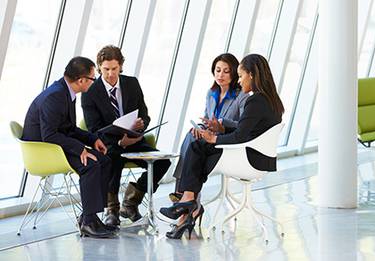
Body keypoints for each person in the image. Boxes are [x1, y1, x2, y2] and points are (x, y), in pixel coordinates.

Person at [159, 54, 285, 239]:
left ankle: (188, 200)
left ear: (251, 75)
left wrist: (214, 139)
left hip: (248, 157)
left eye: (240, 76)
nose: (240, 81)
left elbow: (241, 135)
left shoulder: (254, 101)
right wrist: (221, 127)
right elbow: (249, 128)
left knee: (198, 147)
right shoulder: (270, 100)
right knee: (197, 145)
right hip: (258, 155)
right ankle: (188, 202)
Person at [22, 57, 115, 238]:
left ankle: (91, 217)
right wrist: (80, 149)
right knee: (91, 164)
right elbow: (48, 135)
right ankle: (88, 222)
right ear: (81, 80)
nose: (93, 82)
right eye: (92, 78)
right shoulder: (56, 96)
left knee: (104, 160)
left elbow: (68, 128)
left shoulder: (66, 92)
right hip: (45, 151)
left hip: (57, 145)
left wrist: (92, 139)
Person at [81, 45, 171, 227]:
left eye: (114, 69)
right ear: (99, 68)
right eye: (106, 69)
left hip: (134, 140)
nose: (110, 74)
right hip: (108, 143)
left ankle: (130, 203)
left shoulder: (131, 83)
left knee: (163, 162)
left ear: (121, 66)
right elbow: (94, 129)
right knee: (114, 156)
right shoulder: (90, 92)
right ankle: (111, 210)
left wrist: (140, 125)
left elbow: (145, 114)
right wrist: (120, 141)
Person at [170, 53, 249, 204]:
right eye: (217, 70)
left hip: (227, 142)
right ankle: (188, 195)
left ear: (234, 73)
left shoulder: (242, 96)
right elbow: (206, 119)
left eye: (226, 71)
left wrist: (223, 123)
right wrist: (200, 127)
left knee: (194, 142)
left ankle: (183, 192)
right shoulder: (211, 93)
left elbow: (245, 126)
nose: (221, 75)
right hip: (209, 139)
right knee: (192, 134)